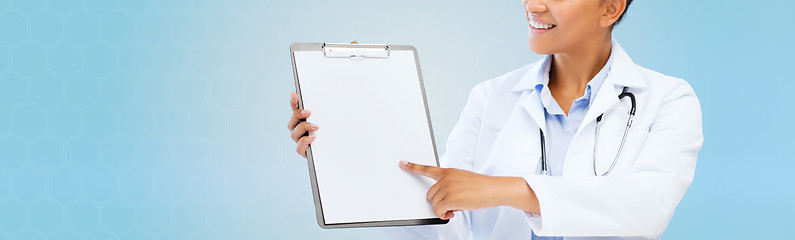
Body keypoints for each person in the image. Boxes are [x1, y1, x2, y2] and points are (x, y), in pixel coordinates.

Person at [287, 0, 703, 239]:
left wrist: (505, 190)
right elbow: (446, 222)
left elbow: (645, 207)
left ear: (610, 8)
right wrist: (348, 151)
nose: (533, 4)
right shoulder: (490, 98)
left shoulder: (668, 98)